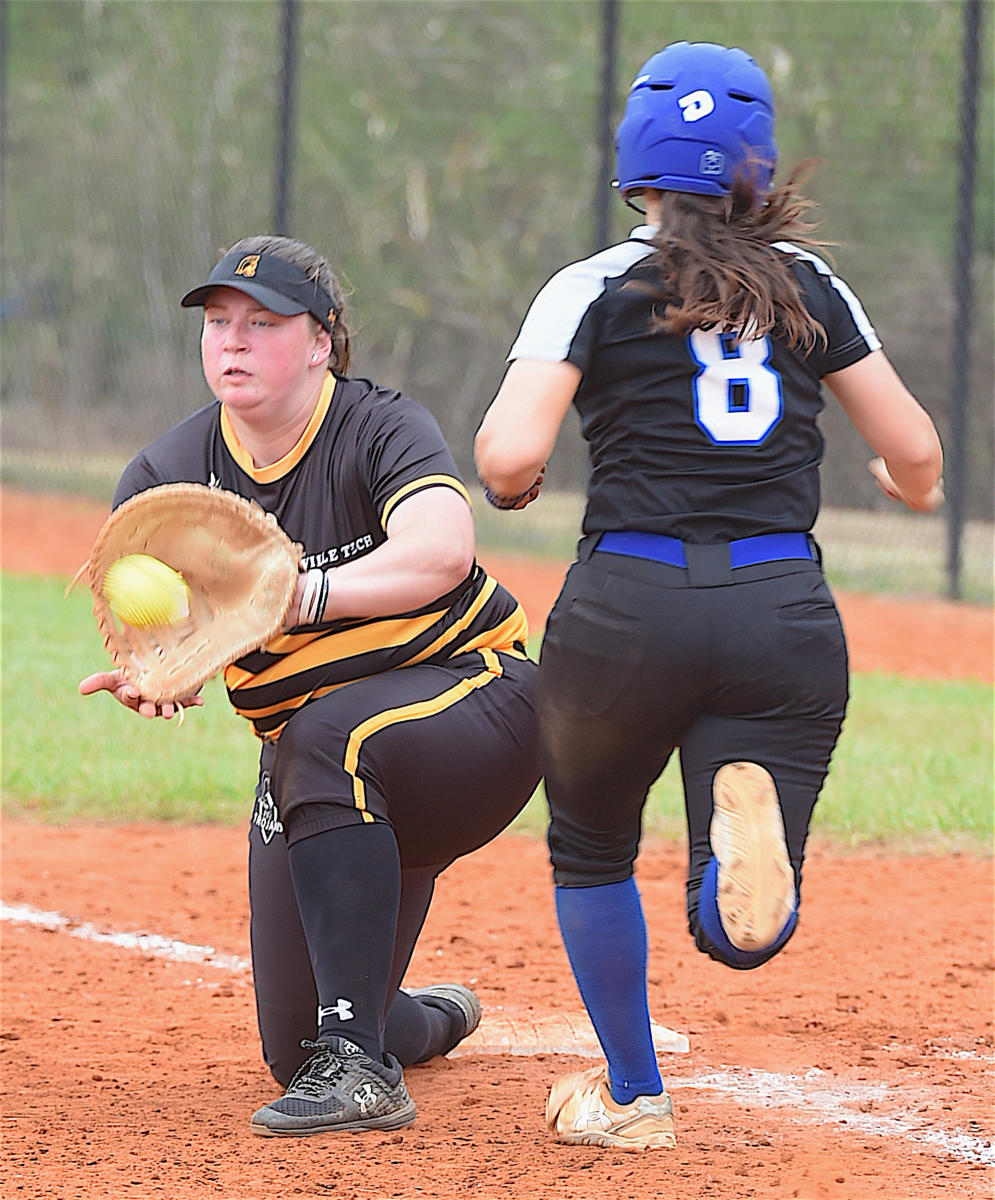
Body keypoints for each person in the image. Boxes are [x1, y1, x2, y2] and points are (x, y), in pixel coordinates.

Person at [474, 40, 943, 1152]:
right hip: (779, 602)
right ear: (753, 164)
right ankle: (735, 909)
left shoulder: (591, 284)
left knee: (589, 849)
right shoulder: (809, 286)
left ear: (634, 161)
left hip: (627, 603)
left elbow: (503, 458)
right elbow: (915, 450)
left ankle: (633, 1096)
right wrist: (898, 484)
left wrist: (524, 476)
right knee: (731, 903)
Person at [79, 234, 541, 1136]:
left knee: (325, 736)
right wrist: (162, 677)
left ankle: (365, 1072)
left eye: (263, 323)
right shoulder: (166, 476)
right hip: (318, 768)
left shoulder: (376, 425)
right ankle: (418, 1021)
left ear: (322, 341)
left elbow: (444, 550)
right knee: (297, 1044)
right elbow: (173, 638)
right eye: (218, 323)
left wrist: (303, 595)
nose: (234, 342)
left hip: (474, 706)